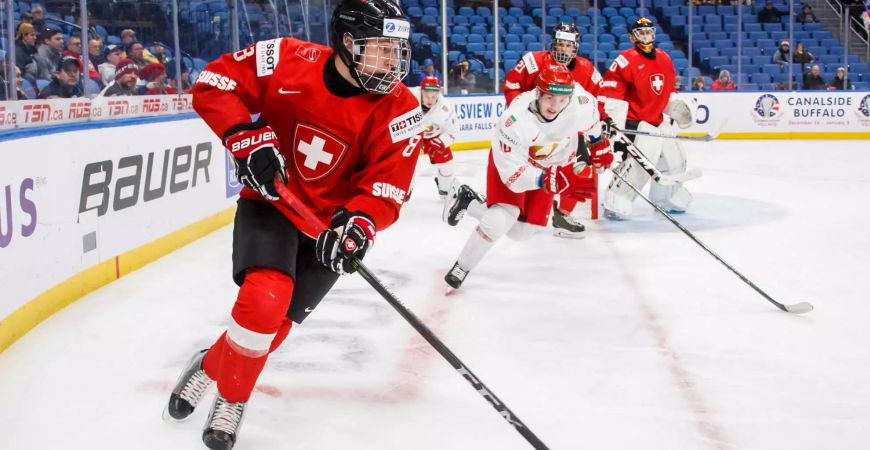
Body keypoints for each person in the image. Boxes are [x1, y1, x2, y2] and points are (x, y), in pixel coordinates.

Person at [162, 1, 422, 449]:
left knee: (271, 330)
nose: (392, 63)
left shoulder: (401, 109)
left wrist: (359, 225)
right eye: (381, 50)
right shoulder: (285, 58)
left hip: (330, 231)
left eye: (398, 51)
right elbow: (215, 83)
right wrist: (244, 136)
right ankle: (232, 398)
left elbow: (387, 187)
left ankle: (208, 366)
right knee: (263, 302)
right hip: (273, 202)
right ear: (346, 43)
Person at [441, 65, 613, 289]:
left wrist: (599, 144)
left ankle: (469, 201)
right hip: (514, 163)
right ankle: (462, 266)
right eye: (550, 98)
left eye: (562, 100)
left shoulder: (581, 103)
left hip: (551, 165)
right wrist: (545, 179)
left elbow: (592, 122)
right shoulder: (514, 120)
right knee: (500, 219)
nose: (555, 106)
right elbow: (513, 174)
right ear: (539, 93)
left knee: (522, 232)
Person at [502, 22, 608, 238]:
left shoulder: (587, 69)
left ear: (576, 47)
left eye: (568, 46)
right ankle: (513, 208)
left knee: (580, 170)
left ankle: (562, 215)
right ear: (553, 44)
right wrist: (524, 118)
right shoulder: (533, 61)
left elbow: (597, 100)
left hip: (567, 133)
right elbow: (511, 85)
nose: (563, 50)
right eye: (560, 44)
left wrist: (603, 120)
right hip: (533, 130)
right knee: (526, 170)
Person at [600, 17, 698, 220]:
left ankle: (667, 198)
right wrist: (611, 121)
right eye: (641, 33)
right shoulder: (625, 60)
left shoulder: (664, 58)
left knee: (675, 159)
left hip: (659, 121)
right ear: (632, 36)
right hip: (635, 123)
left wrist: (675, 107)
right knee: (642, 163)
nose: (646, 36)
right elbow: (611, 92)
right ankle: (616, 198)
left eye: (648, 32)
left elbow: (668, 90)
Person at [417, 76, 459, 198]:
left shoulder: (445, 107)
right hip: (411, 134)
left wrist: (441, 141)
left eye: (434, 96)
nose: (430, 100)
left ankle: (444, 188)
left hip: (434, 136)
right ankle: (405, 189)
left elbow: (453, 130)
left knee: (448, 164)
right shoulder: (410, 97)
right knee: (406, 163)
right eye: (427, 96)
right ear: (421, 91)